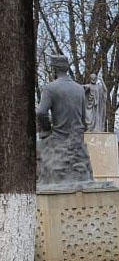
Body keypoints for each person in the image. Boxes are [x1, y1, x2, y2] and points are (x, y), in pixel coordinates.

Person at [36, 54, 94, 187]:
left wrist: (46, 129)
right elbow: (84, 118)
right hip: (77, 140)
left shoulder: (50, 88)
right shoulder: (80, 89)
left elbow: (40, 112)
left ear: (53, 69)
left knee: (41, 147)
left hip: (58, 138)